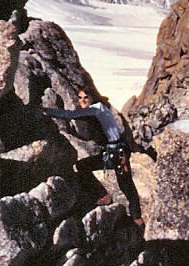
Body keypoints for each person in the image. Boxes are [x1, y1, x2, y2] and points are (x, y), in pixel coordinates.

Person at [43, 89, 143, 226]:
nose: (82, 100)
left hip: (116, 154)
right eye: (79, 97)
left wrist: (45, 110)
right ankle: (109, 200)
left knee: (126, 186)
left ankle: (135, 218)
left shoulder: (95, 111)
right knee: (84, 167)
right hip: (116, 152)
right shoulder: (101, 108)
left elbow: (69, 114)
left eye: (86, 97)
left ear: (92, 98)